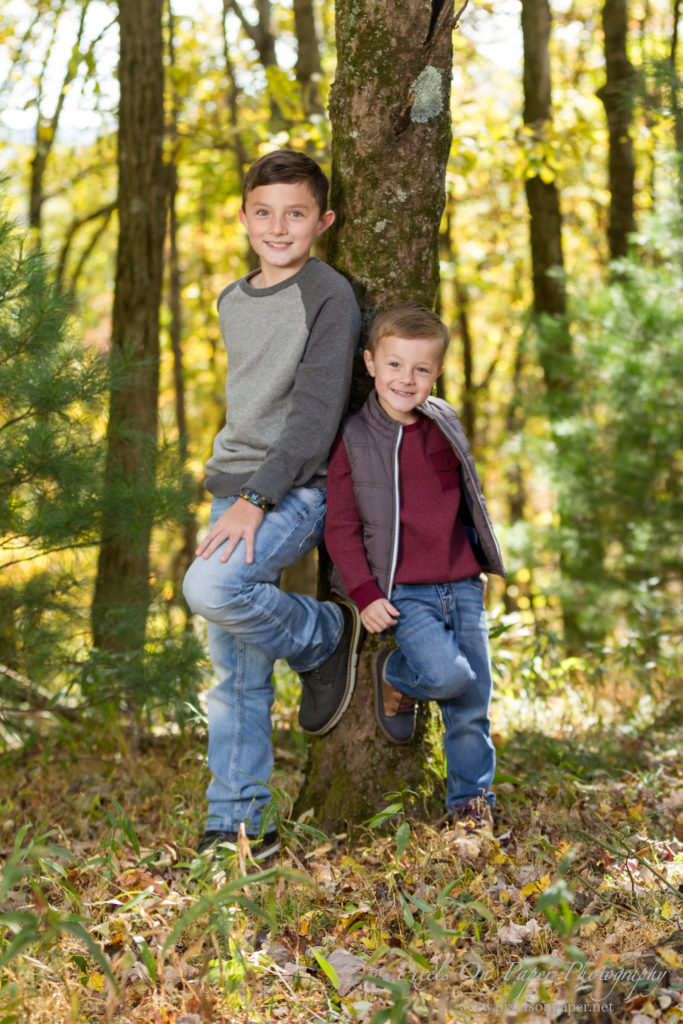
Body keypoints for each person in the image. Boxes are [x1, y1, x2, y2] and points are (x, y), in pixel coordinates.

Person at [183, 149, 363, 859]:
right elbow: (249, 407)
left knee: (211, 586)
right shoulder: (232, 298)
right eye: (264, 212)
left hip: (296, 488)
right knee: (235, 673)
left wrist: (259, 496)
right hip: (231, 487)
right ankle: (238, 824)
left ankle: (323, 636)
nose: (278, 227)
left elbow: (315, 416)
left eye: (295, 214)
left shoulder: (328, 293)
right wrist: (236, 492)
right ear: (243, 217)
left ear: (323, 220)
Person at [324, 303, 505, 833]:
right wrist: (364, 592)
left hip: (461, 583)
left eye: (421, 369)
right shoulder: (353, 438)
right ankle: (397, 674)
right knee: (450, 677)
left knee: (473, 701)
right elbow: (340, 527)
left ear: (437, 373)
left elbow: (467, 497)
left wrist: (478, 562)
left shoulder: (445, 424)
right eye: (395, 365)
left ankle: (470, 808)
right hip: (404, 591)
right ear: (370, 364)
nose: (407, 379)